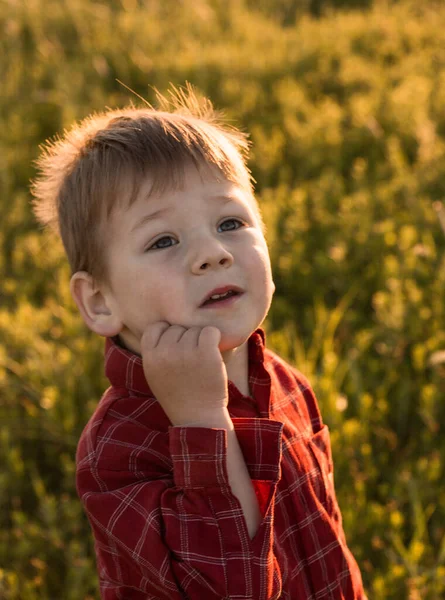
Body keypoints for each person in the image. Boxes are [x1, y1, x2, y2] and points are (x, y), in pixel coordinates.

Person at [31, 85, 366, 599]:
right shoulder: (118, 452)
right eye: (164, 240)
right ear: (99, 301)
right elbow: (229, 589)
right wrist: (201, 423)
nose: (212, 253)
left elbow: (323, 538)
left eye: (230, 223)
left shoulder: (282, 381)